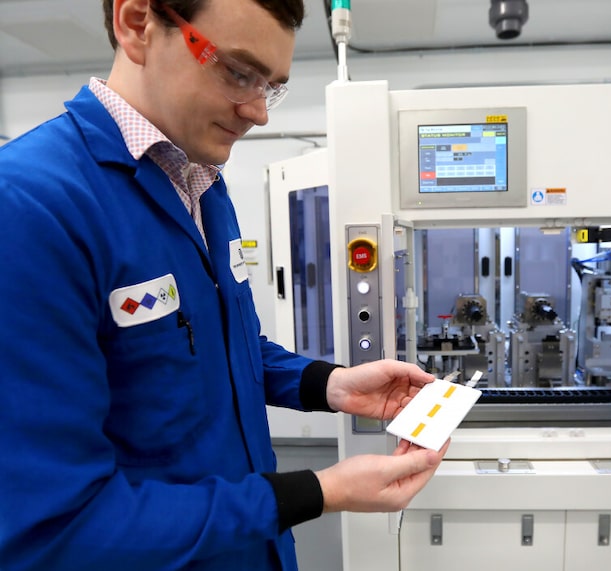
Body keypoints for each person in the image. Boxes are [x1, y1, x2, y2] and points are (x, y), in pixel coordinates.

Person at [0, 0, 448, 569]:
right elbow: (56, 528)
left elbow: (224, 342)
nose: (259, 111)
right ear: (137, 23)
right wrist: (321, 491)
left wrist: (329, 385)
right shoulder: (31, 206)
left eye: (272, 85)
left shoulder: (201, 183)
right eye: (238, 73)